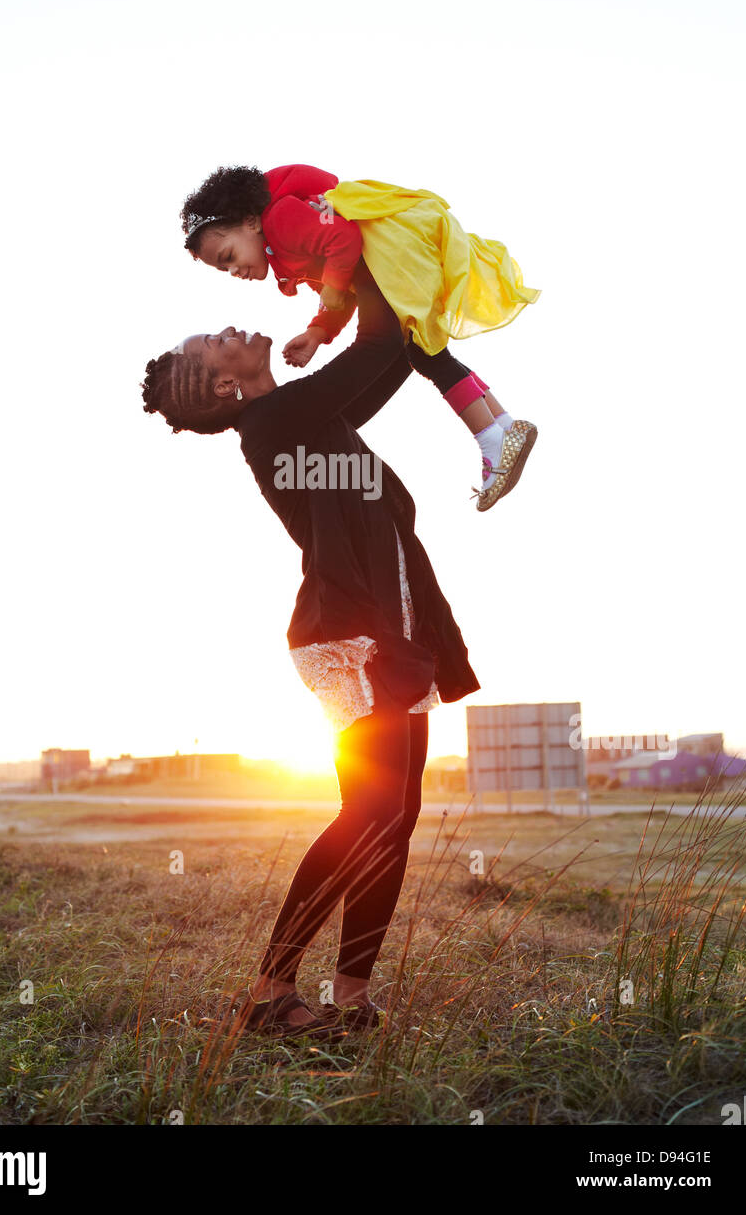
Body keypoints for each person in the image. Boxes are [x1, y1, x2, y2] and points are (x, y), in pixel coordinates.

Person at [140, 260, 480, 1037]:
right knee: (372, 810)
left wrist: (374, 296)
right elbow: (385, 342)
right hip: (350, 636)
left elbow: (388, 355)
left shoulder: (300, 418)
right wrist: (358, 249)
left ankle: (350, 996)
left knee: (395, 816)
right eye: (215, 344)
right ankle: (268, 992)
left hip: (390, 631)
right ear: (225, 388)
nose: (230, 328)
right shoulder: (277, 423)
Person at [180, 161, 540, 510]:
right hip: (389, 263)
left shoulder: (281, 221)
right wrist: (318, 331)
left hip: (391, 260)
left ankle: (492, 439)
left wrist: (333, 290)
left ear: (250, 221)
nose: (233, 270)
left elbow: (344, 239)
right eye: (223, 268)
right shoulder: (282, 248)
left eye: (228, 255)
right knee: (424, 352)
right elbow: (343, 286)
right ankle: (504, 426)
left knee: (410, 350)